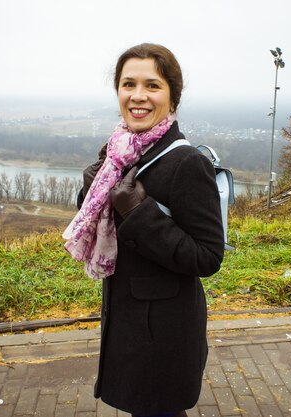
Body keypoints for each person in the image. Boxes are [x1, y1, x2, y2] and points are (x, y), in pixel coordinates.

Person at [63, 43, 225, 417]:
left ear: (172, 96)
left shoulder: (187, 163)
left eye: (152, 86)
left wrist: (139, 212)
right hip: (130, 321)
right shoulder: (120, 152)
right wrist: (91, 191)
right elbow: (106, 225)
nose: (138, 96)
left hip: (164, 330)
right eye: (127, 84)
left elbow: (207, 256)